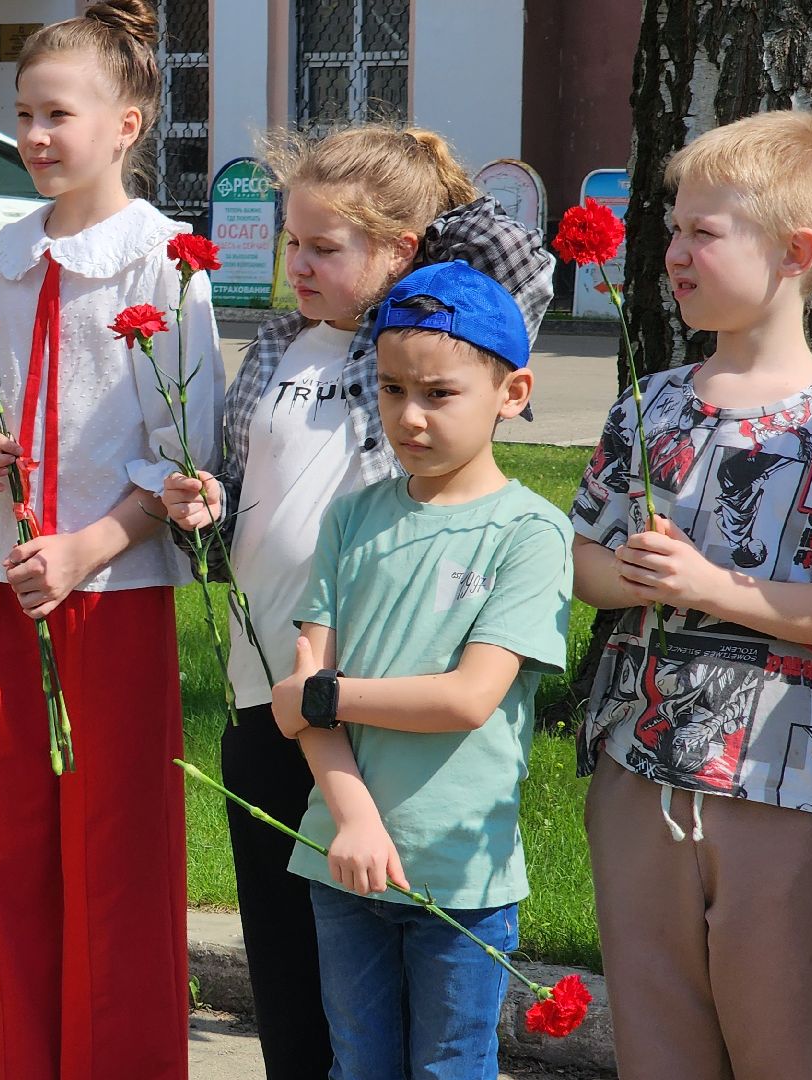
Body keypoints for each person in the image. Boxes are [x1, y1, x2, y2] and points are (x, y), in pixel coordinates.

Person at [161, 123, 554, 1078]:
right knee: (291, 969)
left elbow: (520, 259)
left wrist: (421, 173)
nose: (297, 264)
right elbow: (236, 494)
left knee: (384, 986)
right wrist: (201, 508)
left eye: (326, 247)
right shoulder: (276, 348)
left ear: (401, 250)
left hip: (369, 707)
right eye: (292, 242)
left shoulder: (419, 342)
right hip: (270, 693)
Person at [0, 4, 220, 1076]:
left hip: (112, 594)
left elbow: (181, 445)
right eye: (23, 115)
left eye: (59, 113)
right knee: (15, 855)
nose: (36, 135)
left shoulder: (162, 263)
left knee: (116, 855)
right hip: (7, 584)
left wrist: (93, 544)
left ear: (126, 123)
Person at [570, 109, 812, 1080]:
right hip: (636, 772)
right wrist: (631, 574)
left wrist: (711, 589)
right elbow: (581, 558)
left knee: (779, 1040)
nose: (672, 253)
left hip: (776, 785)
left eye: (702, 233)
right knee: (656, 1037)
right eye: (672, 228)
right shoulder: (651, 404)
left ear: (793, 253)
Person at [271, 261, 571, 1079]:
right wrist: (355, 819)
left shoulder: (530, 533)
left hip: (458, 872)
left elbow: (468, 697)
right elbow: (296, 709)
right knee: (359, 1065)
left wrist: (327, 696)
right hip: (343, 856)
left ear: (511, 393)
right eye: (392, 388)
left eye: (439, 393)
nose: (409, 415)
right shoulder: (351, 517)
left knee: (450, 1067)